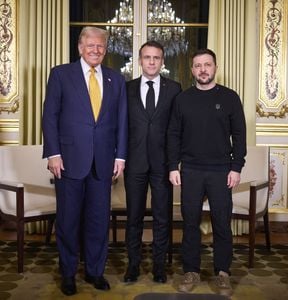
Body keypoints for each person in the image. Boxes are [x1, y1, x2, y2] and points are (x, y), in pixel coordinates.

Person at [42, 26, 128, 296]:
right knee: (67, 221)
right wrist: (53, 153)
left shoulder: (116, 80)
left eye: (100, 46)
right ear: (80, 47)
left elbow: (122, 122)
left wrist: (121, 155)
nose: (95, 50)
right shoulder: (60, 74)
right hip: (68, 161)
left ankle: (94, 271)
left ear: (106, 49)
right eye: (90, 45)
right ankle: (68, 273)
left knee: (98, 221)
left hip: (103, 162)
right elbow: (50, 117)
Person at [167, 48, 246, 296]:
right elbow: (173, 135)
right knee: (189, 223)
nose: (203, 69)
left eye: (207, 65)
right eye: (198, 65)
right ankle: (191, 271)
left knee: (222, 223)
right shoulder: (182, 99)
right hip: (189, 170)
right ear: (192, 70)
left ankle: (222, 273)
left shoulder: (231, 97)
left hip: (221, 171)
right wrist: (172, 166)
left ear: (215, 67)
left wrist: (236, 167)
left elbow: (240, 135)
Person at [124, 41, 181, 284]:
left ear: (162, 61)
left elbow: (177, 129)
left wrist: (174, 164)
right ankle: (133, 265)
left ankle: (159, 267)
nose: (151, 62)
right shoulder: (126, 89)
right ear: (139, 61)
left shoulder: (175, 89)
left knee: (161, 217)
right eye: (147, 57)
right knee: (134, 217)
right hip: (134, 163)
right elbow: (120, 127)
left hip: (163, 165)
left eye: (156, 58)